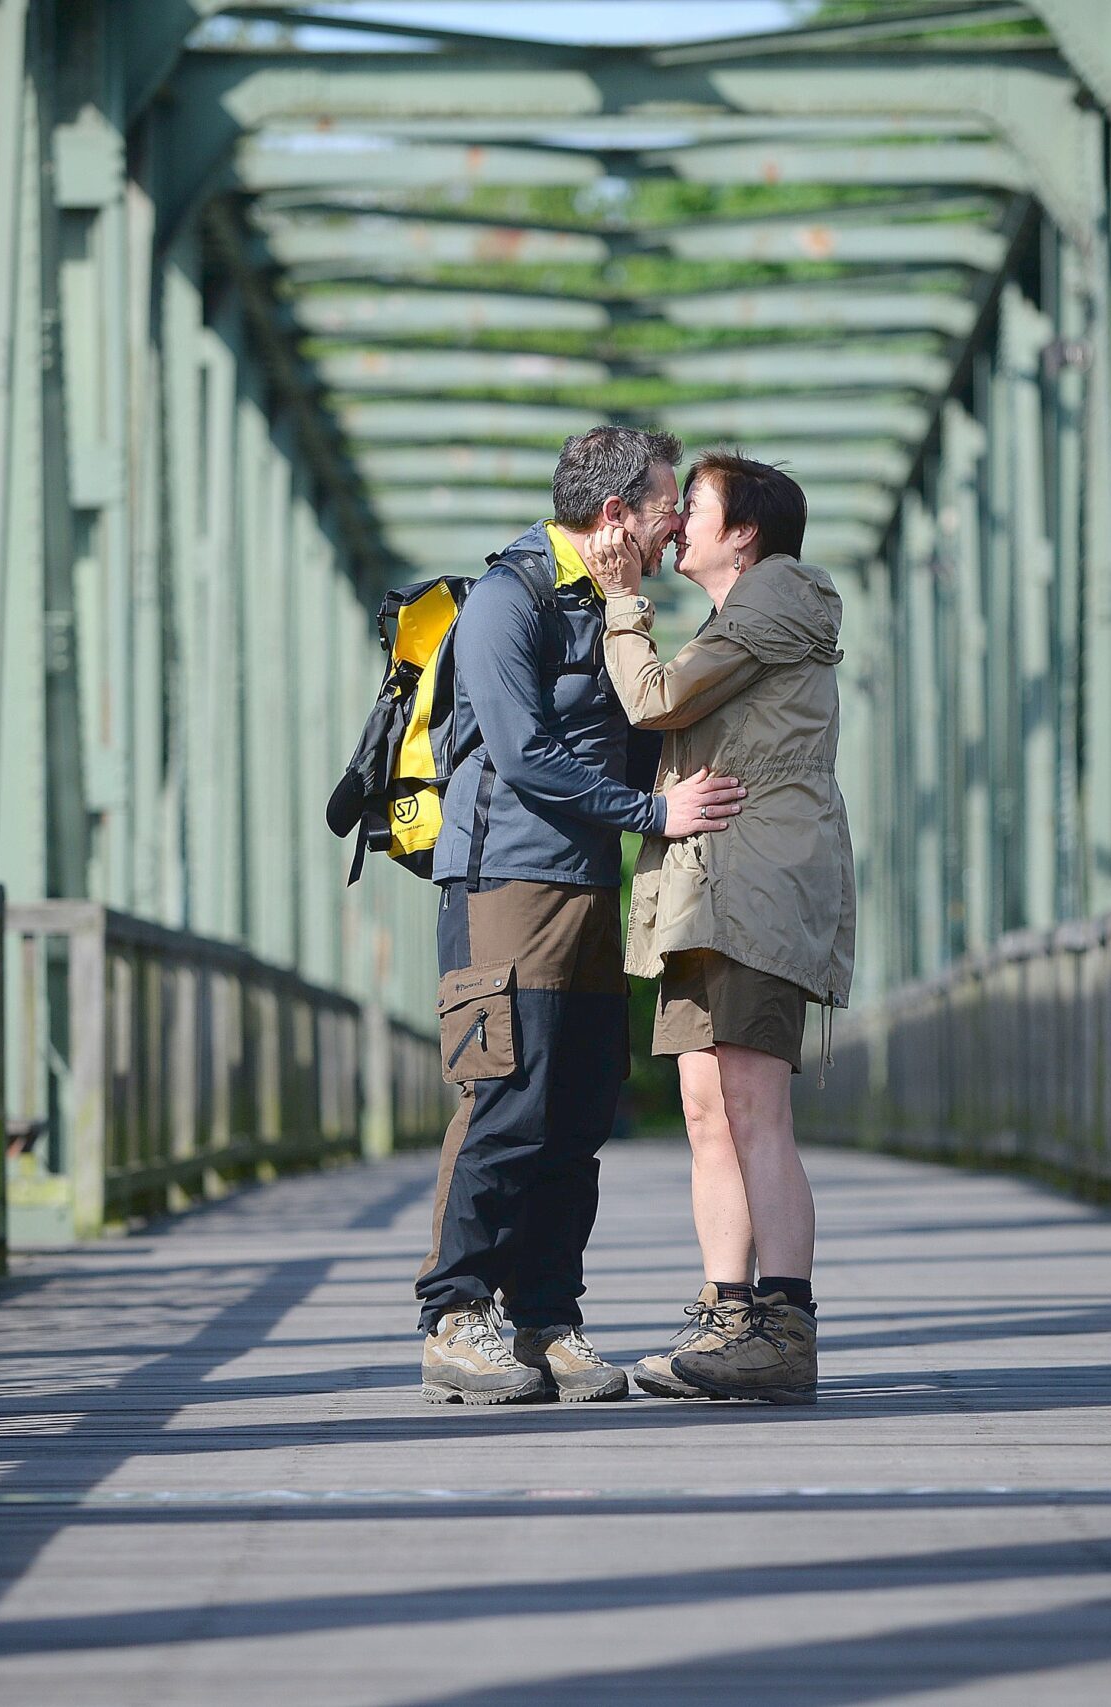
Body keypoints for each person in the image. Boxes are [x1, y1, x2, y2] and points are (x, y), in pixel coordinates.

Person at [417, 425, 749, 1406]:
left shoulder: (609, 602)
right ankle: (453, 1318)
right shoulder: (504, 600)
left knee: (574, 1117)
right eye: (665, 507)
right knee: (502, 1104)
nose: (676, 524)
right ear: (616, 514)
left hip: (585, 889)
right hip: (501, 888)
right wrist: (655, 814)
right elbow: (520, 758)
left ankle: (544, 1322)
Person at [577, 450, 854, 1406]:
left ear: (744, 532)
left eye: (692, 505)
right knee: (706, 1110)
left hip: (755, 890)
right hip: (705, 892)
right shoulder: (738, 616)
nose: (673, 520)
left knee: (751, 1110)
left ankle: (783, 1324)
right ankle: (727, 1315)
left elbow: (654, 698)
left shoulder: (778, 599)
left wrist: (620, 600)